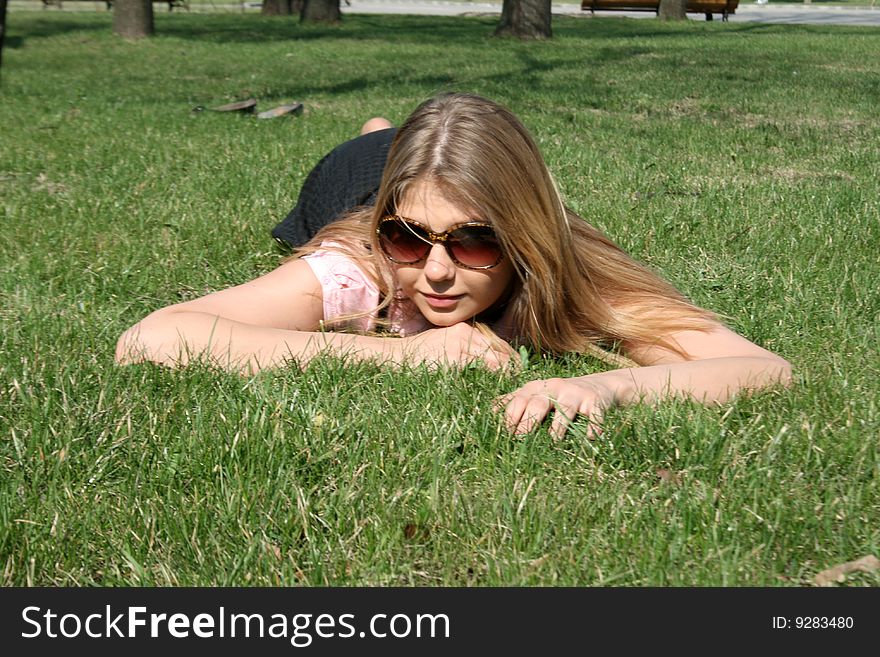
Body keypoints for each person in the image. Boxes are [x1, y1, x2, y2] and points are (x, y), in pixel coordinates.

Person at [116, 93, 791, 438]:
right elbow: (150, 338)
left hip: (405, 173)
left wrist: (606, 387)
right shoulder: (360, 264)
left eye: (473, 241)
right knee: (373, 151)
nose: (435, 271)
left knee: (398, 148)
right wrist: (406, 357)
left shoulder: (566, 265)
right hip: (350, 179)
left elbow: (768, 369)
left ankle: (386, 137)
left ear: (524, 236)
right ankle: (377, 139)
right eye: (411, 238)